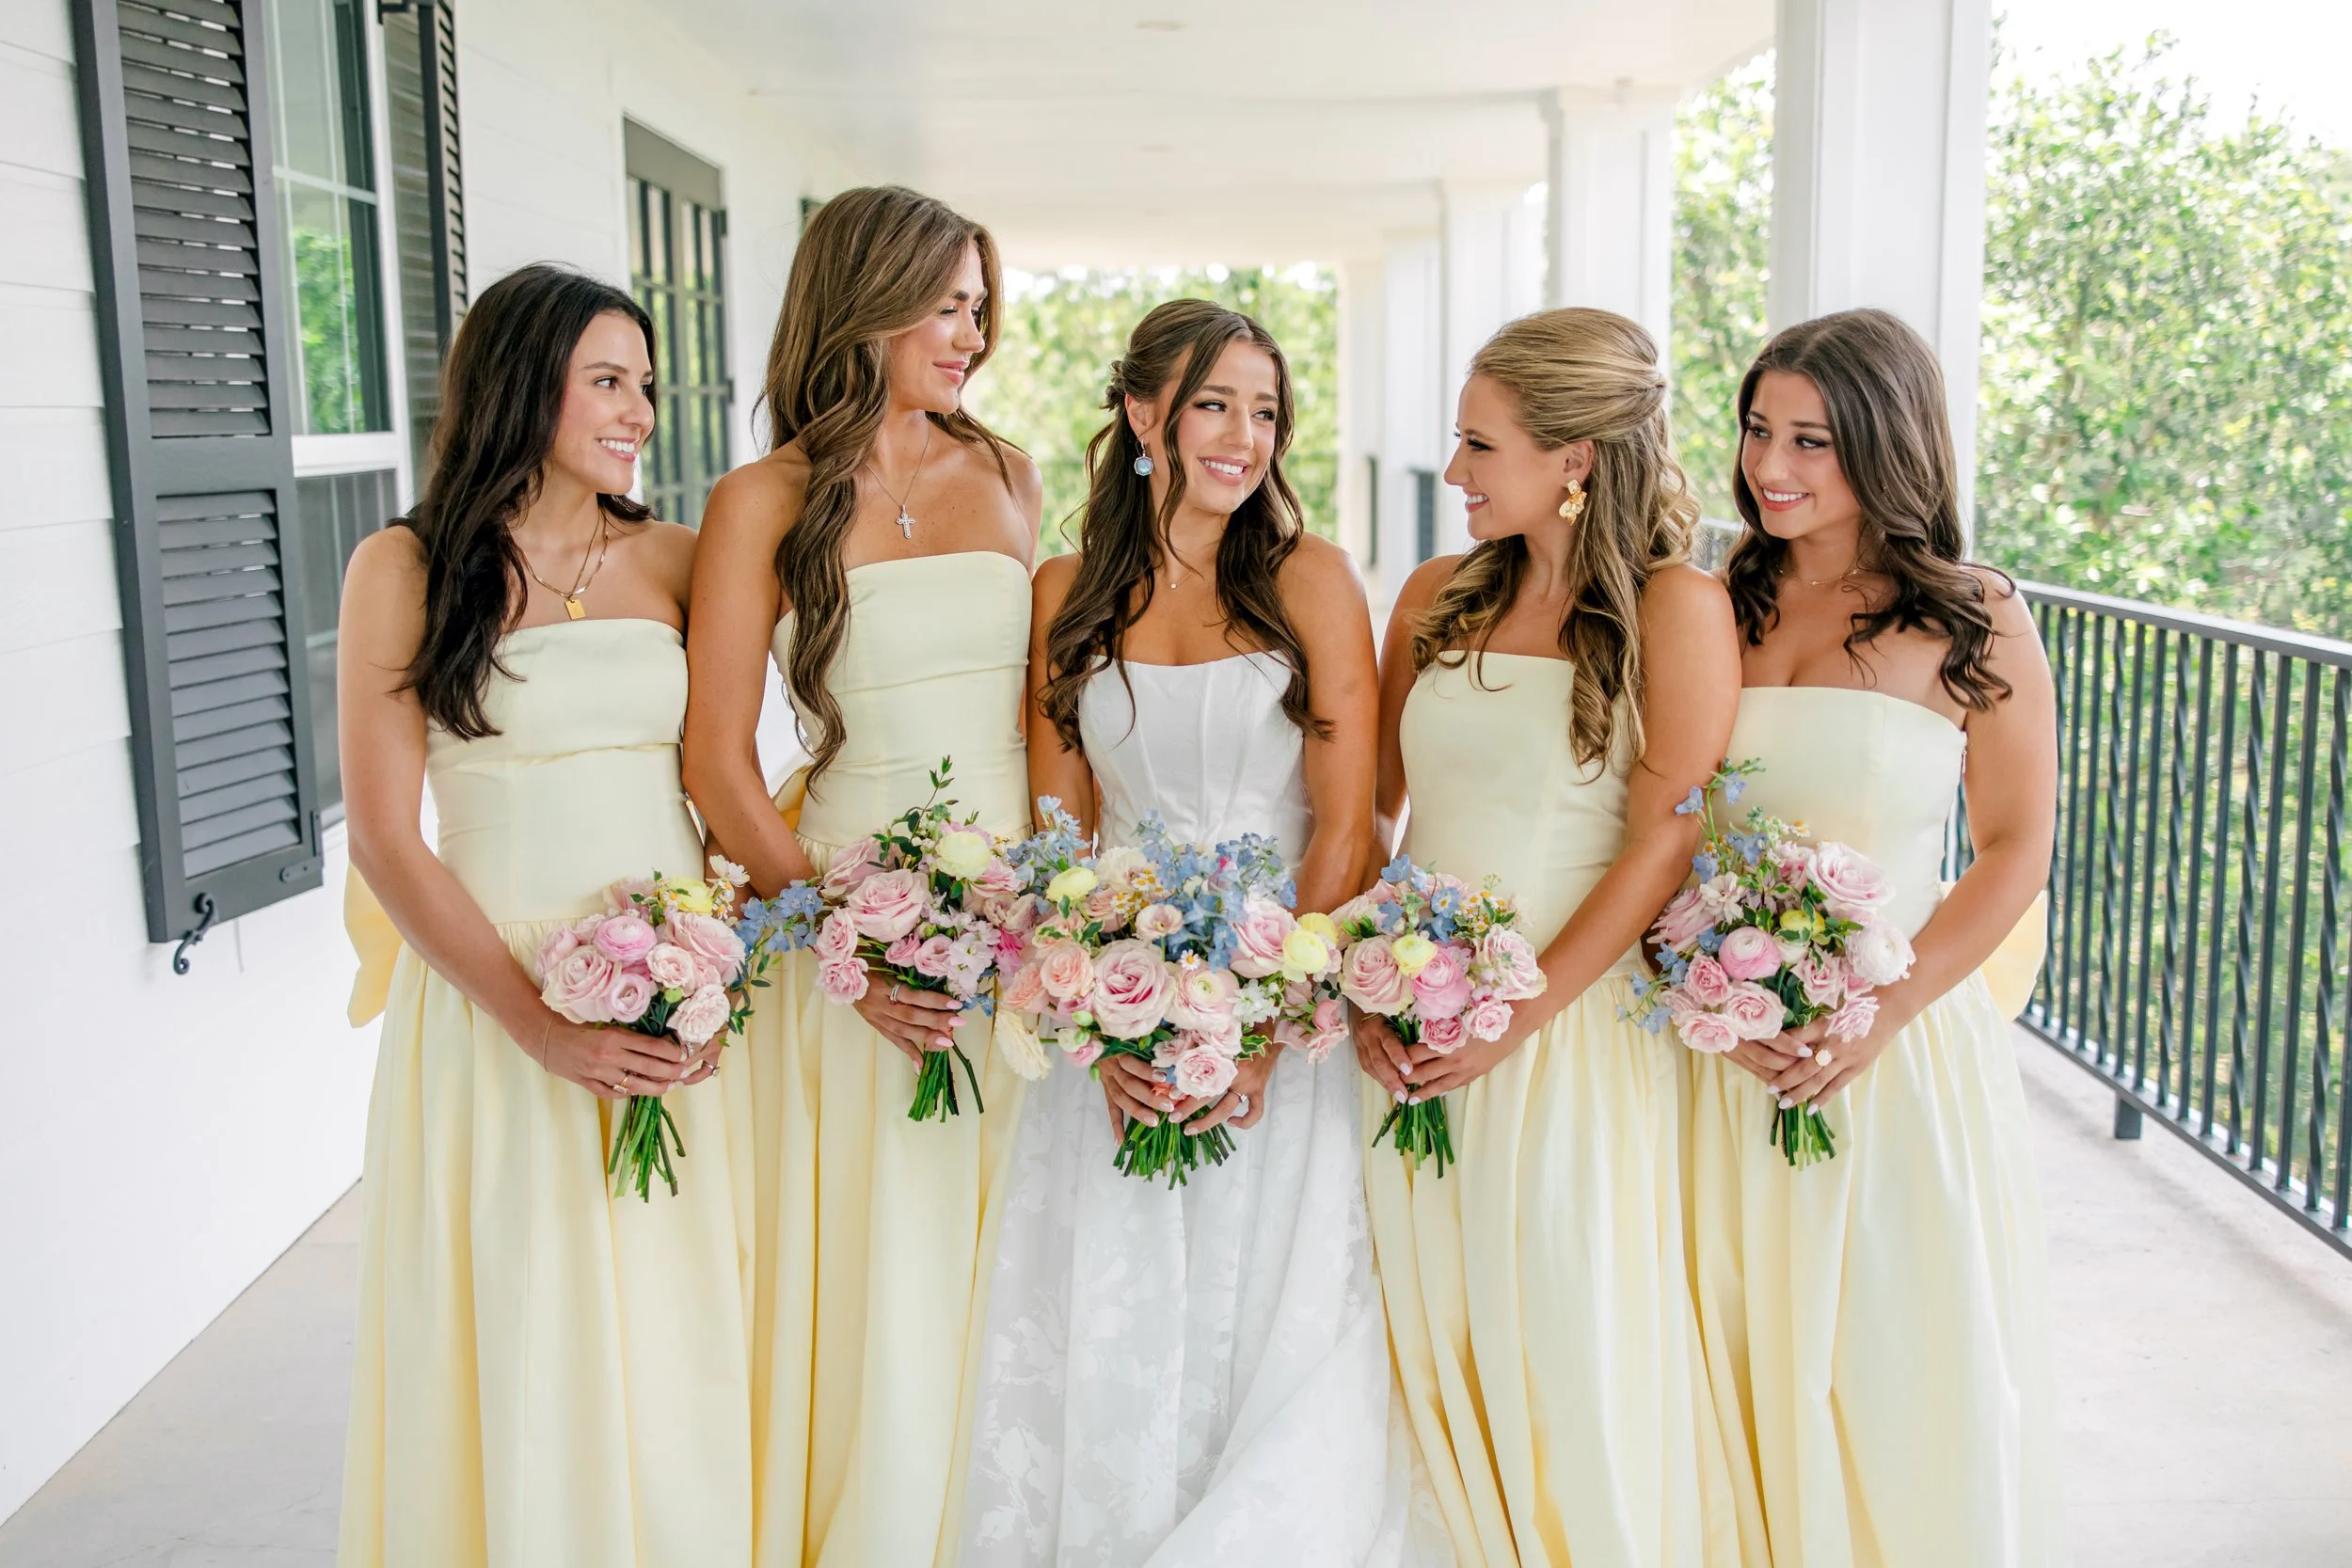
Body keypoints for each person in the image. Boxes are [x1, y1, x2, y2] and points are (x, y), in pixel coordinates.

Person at [960, 298, 1431, 1567]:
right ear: (1142, 415)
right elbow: (1060, 840)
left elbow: (1345, 828)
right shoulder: (1066, 589)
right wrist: (1100, 1012)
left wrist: (1261, 1028)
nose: (1243, 435)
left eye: (1265, 411)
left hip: (1283, 1010)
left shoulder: (1310, 577)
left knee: (1267, 1326)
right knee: (1117, 1334)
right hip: (1118, 1010)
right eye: (1215, 403)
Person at [336, 263, 747, 1566]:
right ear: (525, 386)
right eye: (609, 382)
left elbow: (726, 766)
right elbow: (390, 842)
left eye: (645, 386)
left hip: (672, 999)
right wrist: (540, 1026)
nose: (638, 412)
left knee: (671, 1320)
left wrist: (718, 953)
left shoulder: (678, 557)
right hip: (495, 1004)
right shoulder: (402, 567)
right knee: (524, 1320)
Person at [1355, 309, 1760, 1568]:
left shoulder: (1677, 605)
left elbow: (1664, 840)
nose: (1458, 473)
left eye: (1481, 446)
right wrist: (1375, 982)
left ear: (1574, 457)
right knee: (1414, 1336)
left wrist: (1513, 1017)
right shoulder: (1431, 595)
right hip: (1408, 1027)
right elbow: (1376, 809)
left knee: (1557, 1333)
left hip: (1564, 1041)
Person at [681, 185, 1042, 1568]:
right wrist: (860, 947)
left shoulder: (1008, 473)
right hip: (851, 931)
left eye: (978, 305)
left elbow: (1045, 718)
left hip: (1019, 919)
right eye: (944, 305)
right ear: (864, 298)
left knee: (1005, 1247)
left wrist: (1064, 912)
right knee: (875, 1267)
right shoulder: (760, 499)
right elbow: (719, 762)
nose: (972, 333)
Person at [1686, 307, 2066, 1566]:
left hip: (1892, 1052)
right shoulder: (1706, 605)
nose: (1773, 467)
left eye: (1815, 441)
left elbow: (2014, 843)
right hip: (1712, 1053)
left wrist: (1879, 1014)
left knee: (1895, 1362)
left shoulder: (1974, 616)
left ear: (1890, 448)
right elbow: (1657, 818)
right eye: (1758, 431)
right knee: (1723, 1354)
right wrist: (1700, 986)